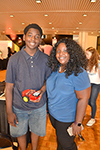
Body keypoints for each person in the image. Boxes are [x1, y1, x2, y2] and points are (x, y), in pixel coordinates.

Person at [5, 23, 51, 150]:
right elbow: (8, 87)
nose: (33, 39)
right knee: (20, 133)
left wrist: (42, 90)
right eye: (30, 35)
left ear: (40, 39)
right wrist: (9, 111)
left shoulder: (46, 59)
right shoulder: (14, 59)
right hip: (19, 106)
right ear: (24, 37)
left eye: (37, 36)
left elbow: (49, 80)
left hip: (39, 106)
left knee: (36, 132)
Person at [46, 38, 91, 150]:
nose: (61, 54)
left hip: (67, 118)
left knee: (67, 145)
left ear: (72, 53)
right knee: (61, 143)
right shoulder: (57, 68)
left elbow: (83, 99)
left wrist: (78, 123)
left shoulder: (79, 72)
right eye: (58, 51)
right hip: (54, 115)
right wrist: (41, 91)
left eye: (65, 50)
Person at [85, 47, 100, 126]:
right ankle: (93, 109)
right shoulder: (87, 62)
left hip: (96, 84)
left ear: (92, 54)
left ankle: (93, 118)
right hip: (88, 84)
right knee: (87, 101)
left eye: (87, 53)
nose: (86, 55)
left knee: (92, 101)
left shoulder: (98, 63)